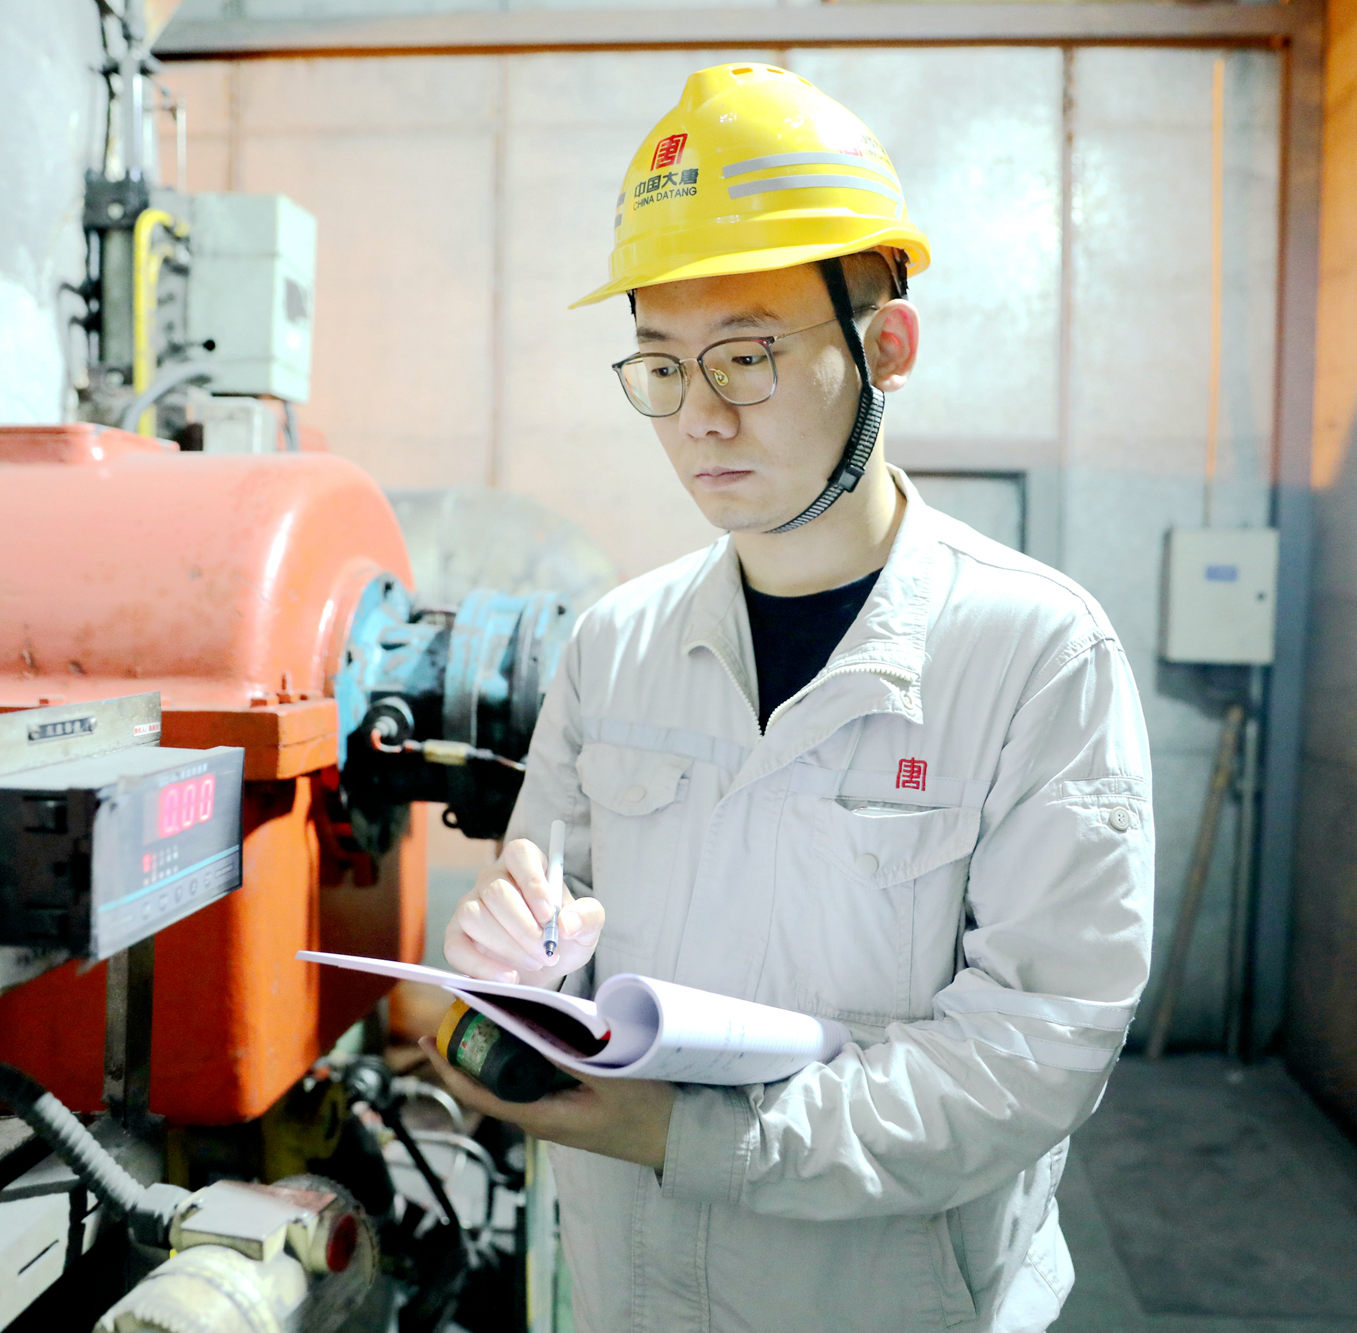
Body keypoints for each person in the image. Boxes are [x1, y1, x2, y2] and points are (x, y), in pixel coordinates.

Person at [421, 63, 1154, 1332]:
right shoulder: (615, 644)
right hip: (631, 1299)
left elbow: (1031, 1055)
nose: (698, 418)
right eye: (661, 366)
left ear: (886, 348)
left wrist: (693, 1135)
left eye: (746, 357)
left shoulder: (1035, 655)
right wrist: (513, 952)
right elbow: (547, 927)